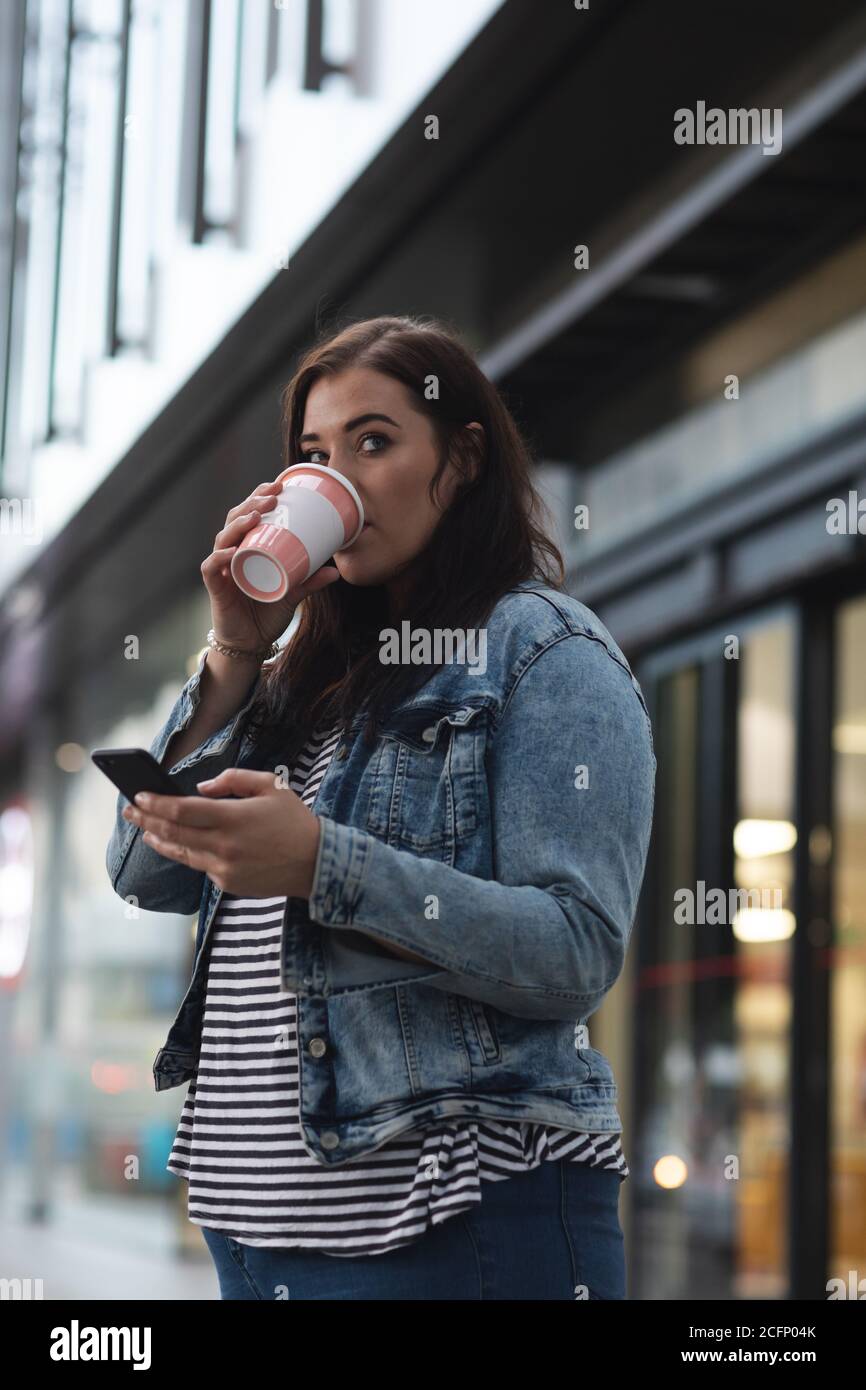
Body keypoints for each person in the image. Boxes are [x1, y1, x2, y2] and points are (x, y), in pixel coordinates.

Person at [105, 314, 656, 1300]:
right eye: (314, 454)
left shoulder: (545, 653)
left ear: (462, 457)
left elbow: (574, 951)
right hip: (254, 1239)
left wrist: (324, 863)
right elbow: (143, 870)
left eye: (373, 441)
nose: (339, 480)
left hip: (454, 1226)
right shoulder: (294, 684)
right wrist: (234, 650)